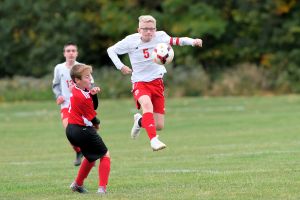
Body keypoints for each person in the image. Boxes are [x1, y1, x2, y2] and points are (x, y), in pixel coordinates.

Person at [107, 15, 202, 151]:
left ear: (155, 29)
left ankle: (140, 121)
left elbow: (178, 40)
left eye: (152, 29)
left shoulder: (160, 37)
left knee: (159, 125)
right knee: (146, 105)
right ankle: (154, 140)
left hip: (157, 82)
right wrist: (120, 66)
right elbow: (111, 50)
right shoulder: (130, 41)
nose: (149, 32)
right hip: (140, 82)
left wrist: (193, 41)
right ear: (139, 30)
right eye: (145, 29)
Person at [67, 64, 111, 194]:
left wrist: (93, 95)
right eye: (87, 76)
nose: (90, 79)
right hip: (82, 130)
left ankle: (77, 184)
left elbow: (91, 105)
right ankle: (102, 189)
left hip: (71, 130)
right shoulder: (83, 96)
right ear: (77, 80)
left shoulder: (76, 89)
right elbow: (93, 117)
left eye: (90, 75)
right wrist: (97, 125)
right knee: (105, 154)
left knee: (90, 157)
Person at [52, 43, 83, 166]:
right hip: (66, 106)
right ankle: (79, 151)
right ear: (64, 53)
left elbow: (89, 84)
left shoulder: (81, 67)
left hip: (80, 106)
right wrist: (58, 95)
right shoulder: (59, 68)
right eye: (68, 50)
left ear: (77, 53)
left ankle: (89, 153)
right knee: (70, 133)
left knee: (84, 132)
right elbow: (55, 85)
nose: (71, 53)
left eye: (73, 50)